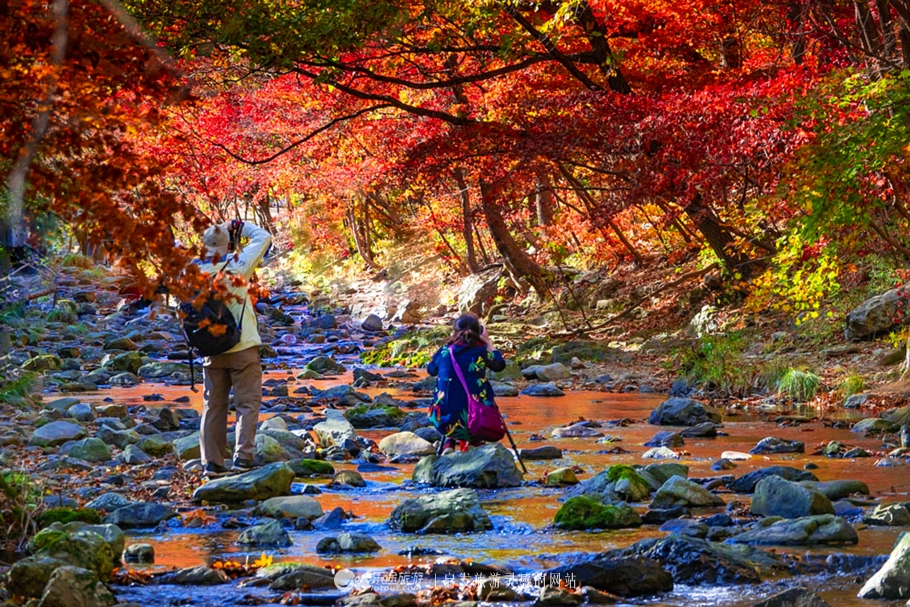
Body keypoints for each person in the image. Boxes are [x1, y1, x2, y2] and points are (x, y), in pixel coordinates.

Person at [198, 220, 272, 477]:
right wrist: (238, 225)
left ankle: (212, 463)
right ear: (228, 245)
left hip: (210, 350)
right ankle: (243, 458)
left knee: (213, 406)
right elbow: (263, 237)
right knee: (247, 403)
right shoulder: (237, 266)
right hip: (242, 347)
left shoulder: (191, 272)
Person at [427, 313, 506, 454]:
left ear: (455, 331)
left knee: (452, 398)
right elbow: (499, 365)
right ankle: (473, 442)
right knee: (476, 397)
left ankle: (449, 442)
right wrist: (488, 342)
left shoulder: (445, 351)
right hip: (477, 420)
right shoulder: (481, 351)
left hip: (442, 419)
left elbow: (431, 370)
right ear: (479, 332)